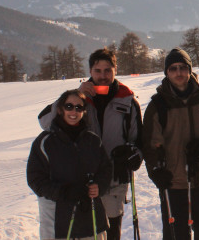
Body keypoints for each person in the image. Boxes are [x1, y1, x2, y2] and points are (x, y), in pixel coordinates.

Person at [38, 47, 143, 240]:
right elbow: (46, 123)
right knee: (86, 232)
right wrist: (77, 94)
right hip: (83, 181)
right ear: (90, 72)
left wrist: (134, 155)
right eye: (97, 71)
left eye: (107, 70)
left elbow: (139, 140)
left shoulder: (127, 100)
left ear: (115, 70)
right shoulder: (80, 99)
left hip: (114, 180)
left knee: (111, 232)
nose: (102, 76)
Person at [142, 47, 199, 240]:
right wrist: (156, 172)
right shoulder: (158, 105)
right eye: (173, 68)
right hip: (173, 181)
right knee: (176, 235)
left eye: (183, 67)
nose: (178, 72)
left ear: (189, 69)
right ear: (167, 72)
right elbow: (150, 145)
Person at [27, 89, 112, 240]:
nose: (74, 111)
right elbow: (35, 180)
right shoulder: (45, 142)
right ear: (60, 109)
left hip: (90, 218)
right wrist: (64, 192)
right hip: (58, 220)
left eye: (79, 107)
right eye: (69, 106)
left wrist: (99, 186)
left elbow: (105, 169)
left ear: (84, 111)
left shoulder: (92, 140)